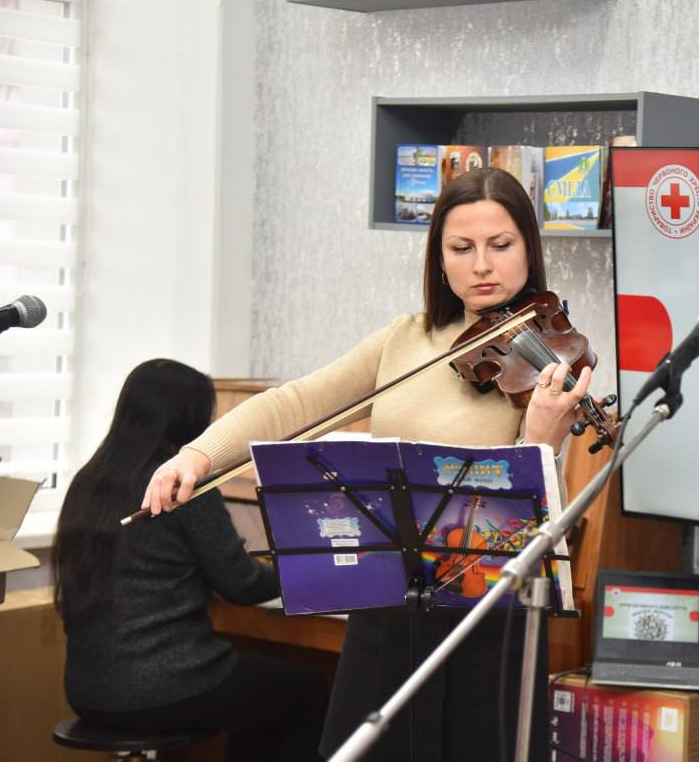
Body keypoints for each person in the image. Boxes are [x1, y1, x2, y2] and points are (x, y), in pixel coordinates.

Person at [142, 167, 593, 761]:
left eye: (501, 245)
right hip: (388, 605)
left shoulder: (549, 354)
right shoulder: (404, 341)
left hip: (484, 616)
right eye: (462, 248)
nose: (482, 265)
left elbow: (528, 519)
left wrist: (541, 438)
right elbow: (294, 403)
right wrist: (198, 454)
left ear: (529, 251)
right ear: (439, 259)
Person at [52, 358, 328, 761]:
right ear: (191, 421)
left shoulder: (89, 479)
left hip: (88, 689)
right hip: (164, 683)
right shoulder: (182, 486)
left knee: (261, 701)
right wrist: (310, 569)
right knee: (309, 693)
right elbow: (242, 585)